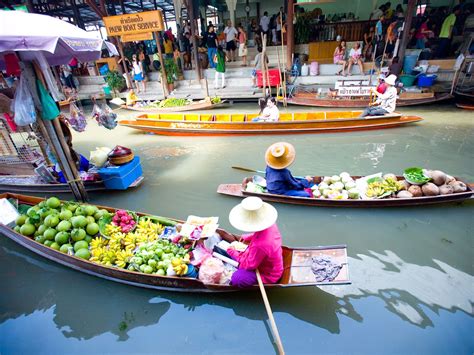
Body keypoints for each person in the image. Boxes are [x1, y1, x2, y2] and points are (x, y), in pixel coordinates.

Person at [224, 196, 283, 288]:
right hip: (273, 262)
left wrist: (233, 252)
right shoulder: (270, 224)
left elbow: (249, 265)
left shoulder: (260, 245)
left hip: (269, 273)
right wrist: (247, 237)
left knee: (237, 278)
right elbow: (260, 233)